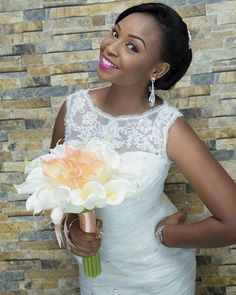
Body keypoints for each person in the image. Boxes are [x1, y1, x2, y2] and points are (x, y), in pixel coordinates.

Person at [50, 3, 236, 295]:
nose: (110, 47)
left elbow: (233, 221)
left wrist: (166, 235)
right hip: (98, 276)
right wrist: (73, 229)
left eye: (132, 47)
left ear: (158, 69)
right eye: (115, 33)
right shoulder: (73, 110)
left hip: (159, 276)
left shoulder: (167, 127)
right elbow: (53, 190)